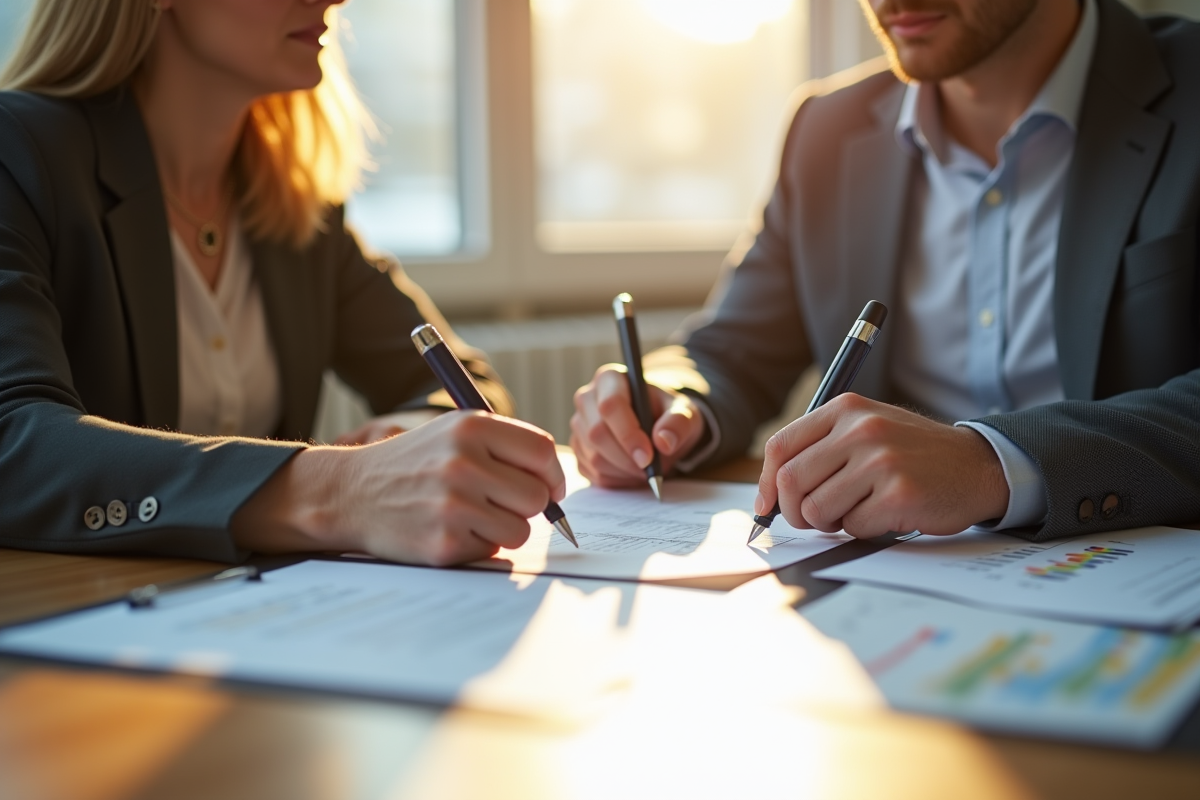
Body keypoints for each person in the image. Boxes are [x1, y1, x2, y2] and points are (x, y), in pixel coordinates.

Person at [572, 0, 1200, 542]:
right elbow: (732, 349)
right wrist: (672, 400)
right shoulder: (826, 128)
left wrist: (989, 464)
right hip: (897, 582)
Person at [0, 0, 566, 566]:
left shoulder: (297, 208)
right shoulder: (18, 155)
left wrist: (407, 441)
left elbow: (465, 386)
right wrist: (340, 490)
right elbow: (12, 440)